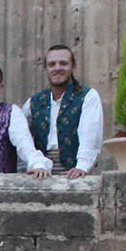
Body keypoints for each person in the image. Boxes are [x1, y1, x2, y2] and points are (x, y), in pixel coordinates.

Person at [25, 44, 102, 178]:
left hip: (75, 170)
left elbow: (91, 133)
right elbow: (22, 136)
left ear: (73, 67)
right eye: (52, 64)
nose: (57, 68)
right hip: (42, 172)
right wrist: (32, 164)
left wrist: (82, 166)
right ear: (46, 69)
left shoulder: (88, 96)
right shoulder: (34, 102)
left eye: (63, 63)